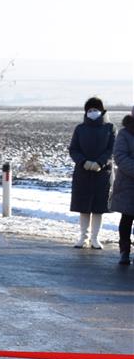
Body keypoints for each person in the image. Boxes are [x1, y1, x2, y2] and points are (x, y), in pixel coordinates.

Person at [69, 97, 116, 249]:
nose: (93, 112)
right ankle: (83, 237)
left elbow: (112, 149)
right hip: (83, 173)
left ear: (102, 111)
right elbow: (73, 149)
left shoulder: (110, 128)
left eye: (95, 109)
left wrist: (100, 163)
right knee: (83, 207)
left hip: (102, 174)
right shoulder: (80, 129)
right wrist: (83, 162)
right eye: (89, 110)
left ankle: (95, 238)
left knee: (98, 207)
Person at [111, 106, 134, 265]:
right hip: (128, 183)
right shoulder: (125, 133)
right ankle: (124, 251)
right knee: (127, 217)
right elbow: (120, 156)